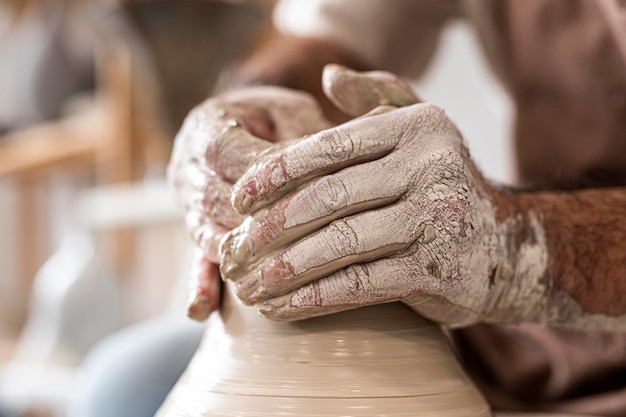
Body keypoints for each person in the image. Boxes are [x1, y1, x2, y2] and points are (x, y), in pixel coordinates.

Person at [168, 0, 626, 415]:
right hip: (528, 326)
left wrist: (520, 244)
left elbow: (519, 248)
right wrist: (253, 106)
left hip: (557, 273)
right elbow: (333, 35)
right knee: (128, 377)